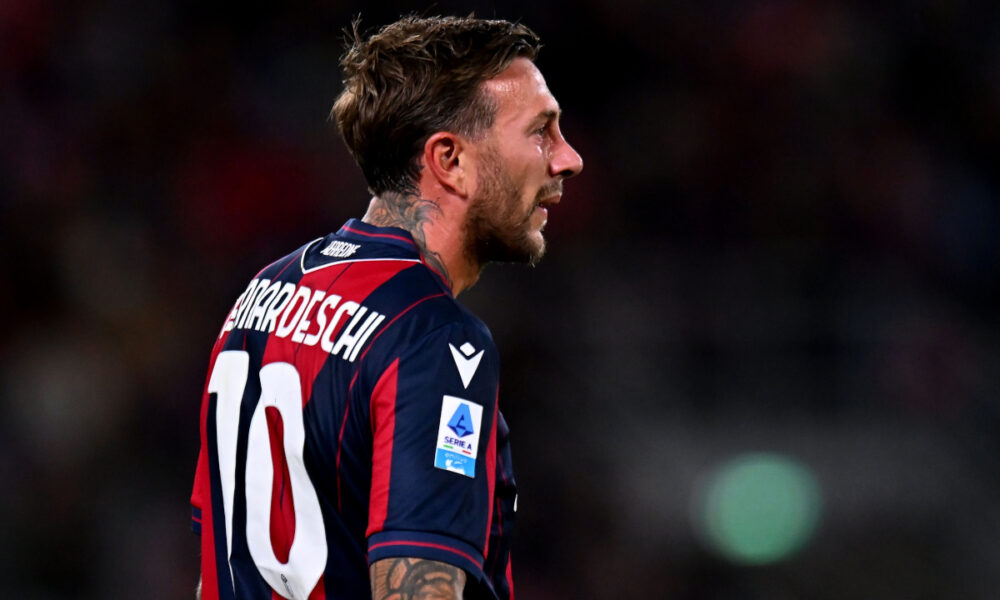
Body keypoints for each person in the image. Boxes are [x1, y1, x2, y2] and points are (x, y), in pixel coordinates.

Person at [190, 15, 583, 600]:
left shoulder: (263, 293)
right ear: (449, 160)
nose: (568, 158)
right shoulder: (434, 340)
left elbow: (215, 568)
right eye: (540, 132)